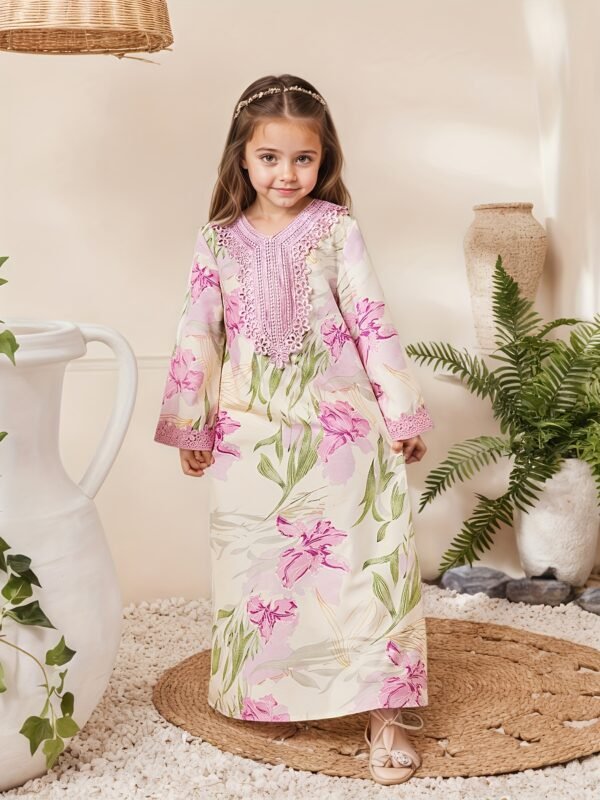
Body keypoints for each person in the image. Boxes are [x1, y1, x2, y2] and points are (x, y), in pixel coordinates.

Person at [153, 74, 434, 786]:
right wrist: (192, 425)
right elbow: (198, 334)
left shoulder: (337, 229)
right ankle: (278, 692)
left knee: (369, 565)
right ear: (242, 158)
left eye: (303, 158)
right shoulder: (217, 240)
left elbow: (370, 319)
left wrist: (399, 413)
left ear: (324, 158)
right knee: (262, 574)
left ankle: (385, 714)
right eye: (270, 158)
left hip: (342, 430)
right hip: (250, 435)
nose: (287, 173)